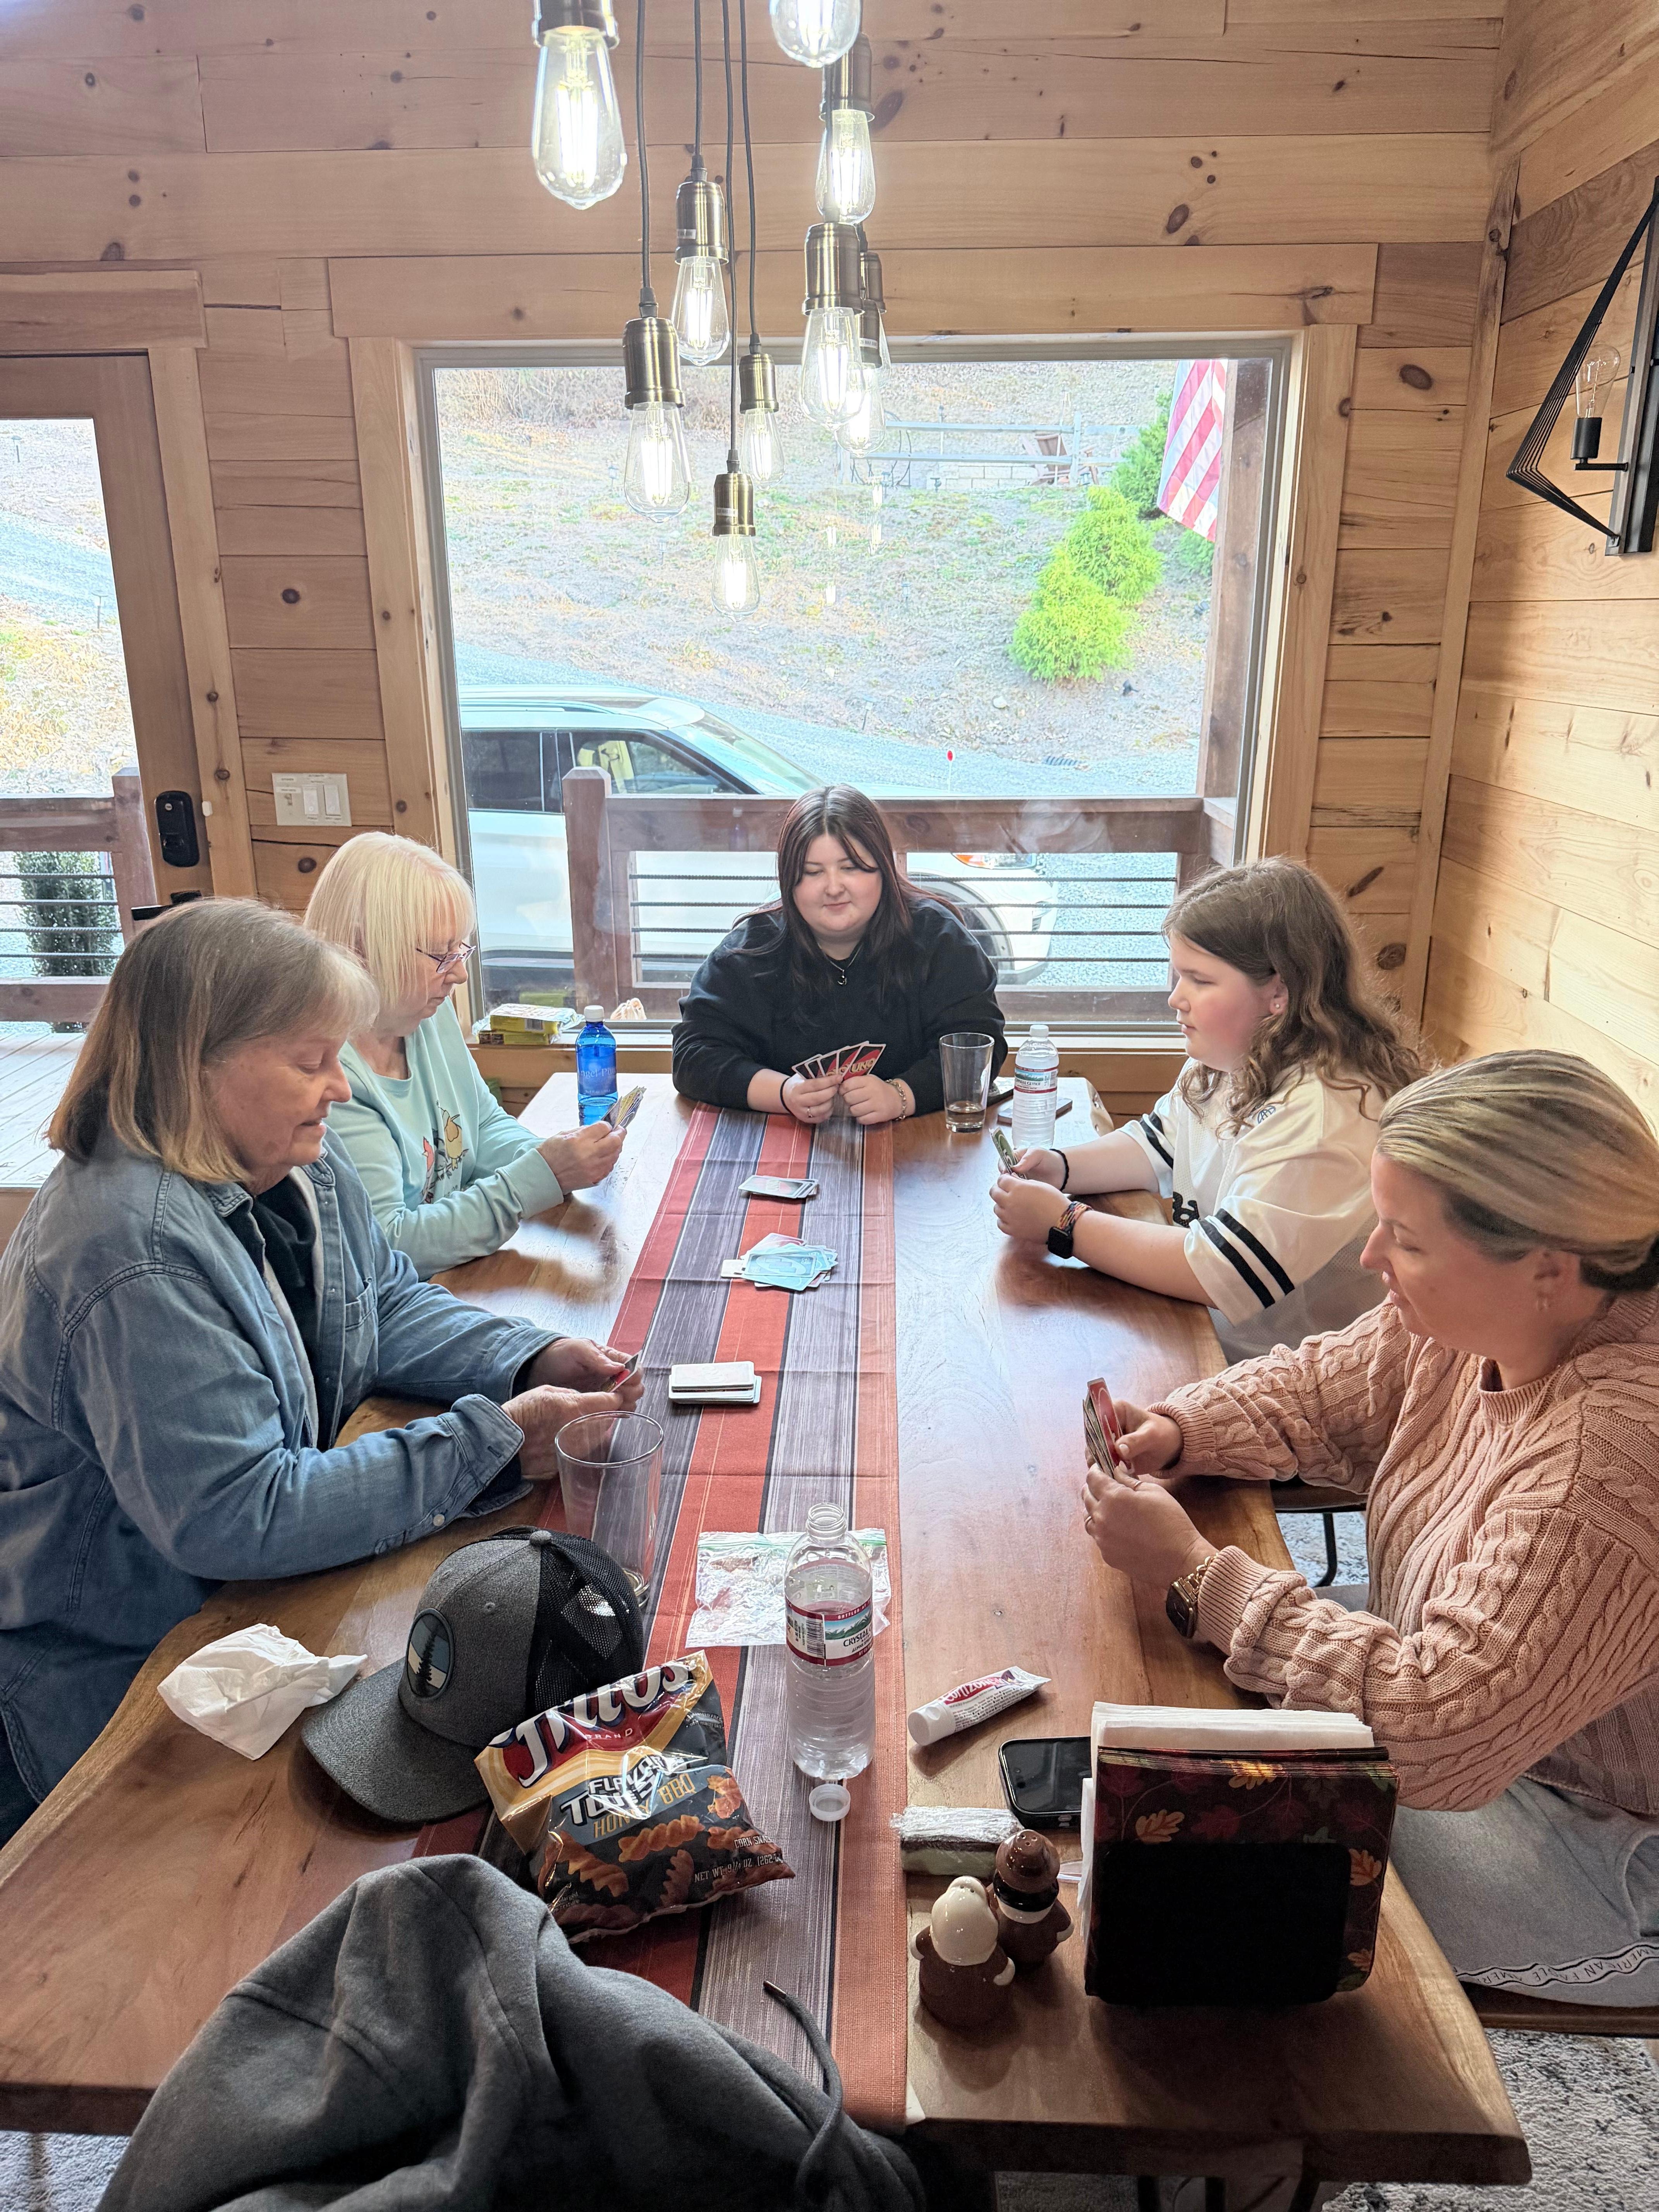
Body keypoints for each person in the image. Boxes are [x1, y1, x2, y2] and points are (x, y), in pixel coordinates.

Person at [0, 899, 641, 1845]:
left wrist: (523, 1356)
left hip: (245, 1630)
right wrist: (493, 1442)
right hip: (119, 1684)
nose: (340, 1087)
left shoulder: (291, 1157)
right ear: (196, 1064)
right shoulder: (130, 1248)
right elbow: (240, 1512)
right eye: (310, 1062)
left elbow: (379, 1302)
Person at [1081, 1051, 1659, 2006]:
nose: (1371, 1258)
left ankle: (1269, 2100)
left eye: (1406, 1240)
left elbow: (1436, 1730)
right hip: (1493, 1722)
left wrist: (1200, 1575)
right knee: (1190, 1720)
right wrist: (1185, 1428)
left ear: (1550, 1268)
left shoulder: (1608, 1462)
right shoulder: (1478, 1317)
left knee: (1210, 1831)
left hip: (1603, 1850)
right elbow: (1325, 1386)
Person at [991, 858, 1420, 1360]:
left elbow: (1222, 1271)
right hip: (1208, 1339)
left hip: (1281, 1374)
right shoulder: (1229, 1062)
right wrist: (1061, 1167)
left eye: (1199, 980)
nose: (1176, 998)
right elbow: (1159, 1143)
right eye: (1179, 976)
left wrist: (1065, 1224)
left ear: (1278, 992)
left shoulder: (1324, 1116)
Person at [305, 833, 623, 1277]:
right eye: (441, 954)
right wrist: (539, 1177)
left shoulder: (425, 1015)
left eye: (462, 949)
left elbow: (482, 1126)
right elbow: (393, 1244)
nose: (458, 973)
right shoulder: (329, 1078)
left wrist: (558, 1159)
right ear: (361, 949)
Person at [672, 785, 1006, 1127]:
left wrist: (901, 1096)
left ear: (883, 869)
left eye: (850, 868)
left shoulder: (939, 938)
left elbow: (980, 1047)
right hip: (783, 1141)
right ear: (789, 881)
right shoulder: (752, 949)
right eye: (813, 872)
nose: (833, 888)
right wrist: (785, 1093)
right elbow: (693, 1056)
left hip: (919, 1139)